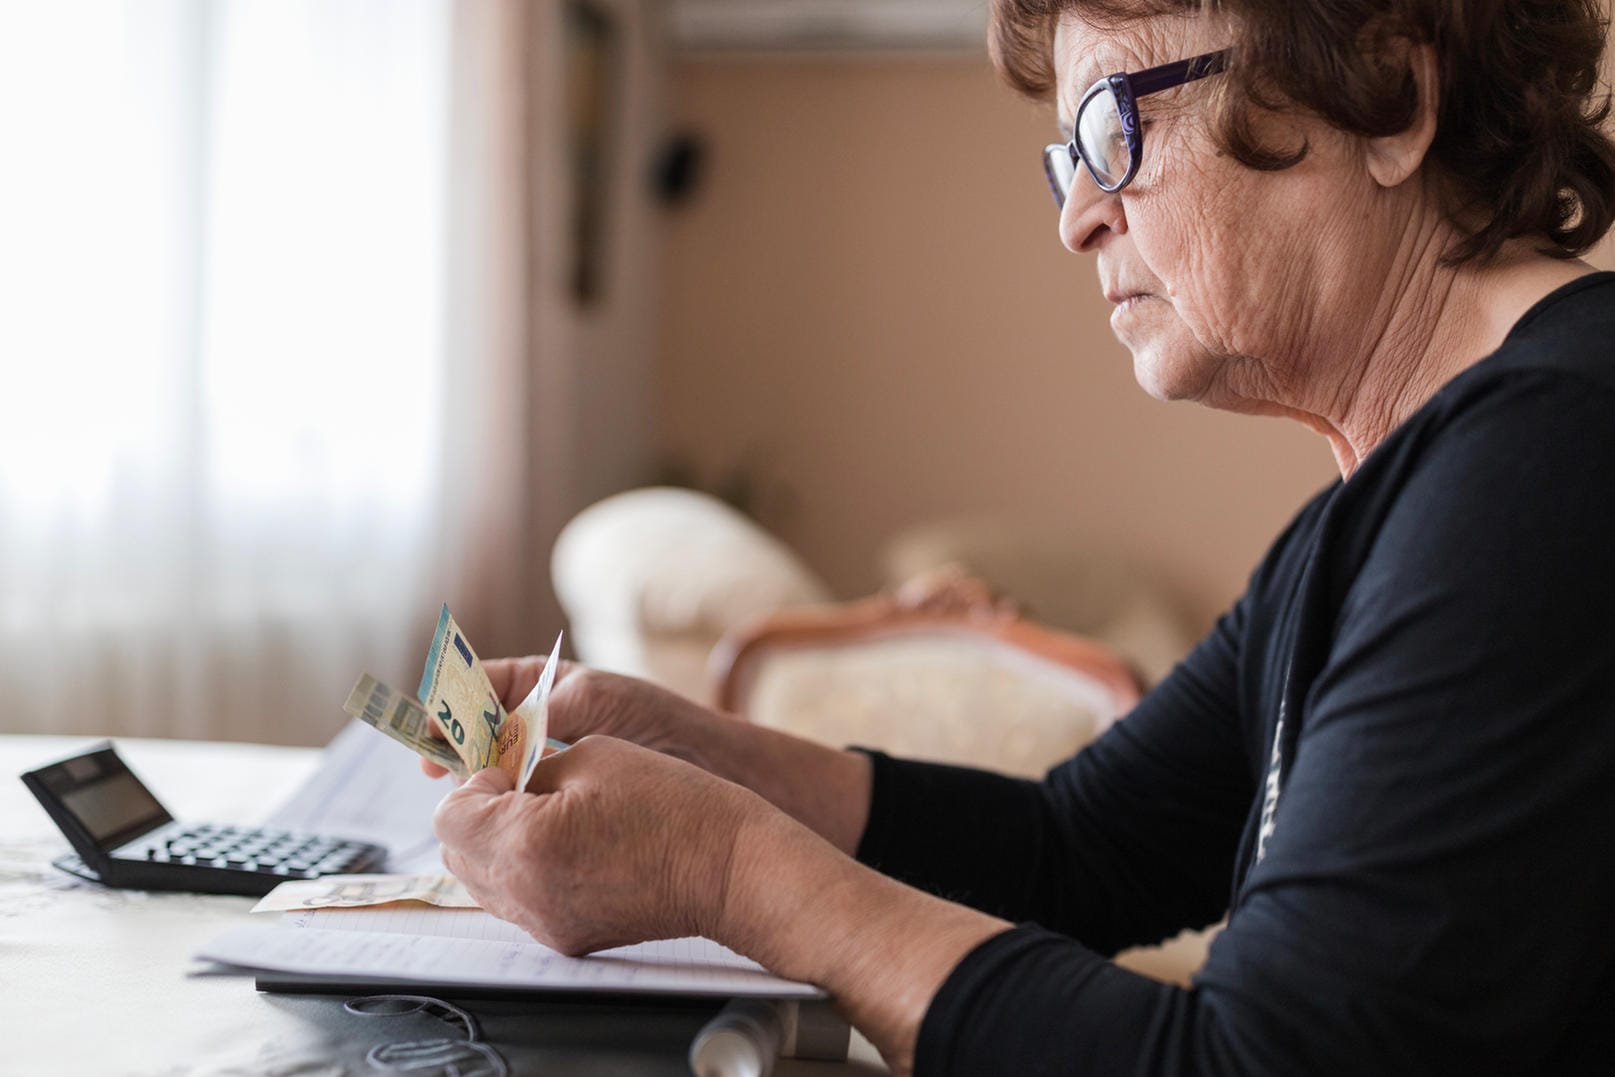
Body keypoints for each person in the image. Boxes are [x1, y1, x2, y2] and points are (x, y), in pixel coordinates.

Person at [430, 0, 1615, 1072]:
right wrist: (700, 751)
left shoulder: (1550, 458)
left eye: (1116, 128)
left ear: (1391, 96)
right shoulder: (1400, 504)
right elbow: (1075, 848)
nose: (1079, 219)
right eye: (1071, 161)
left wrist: (729, 869)